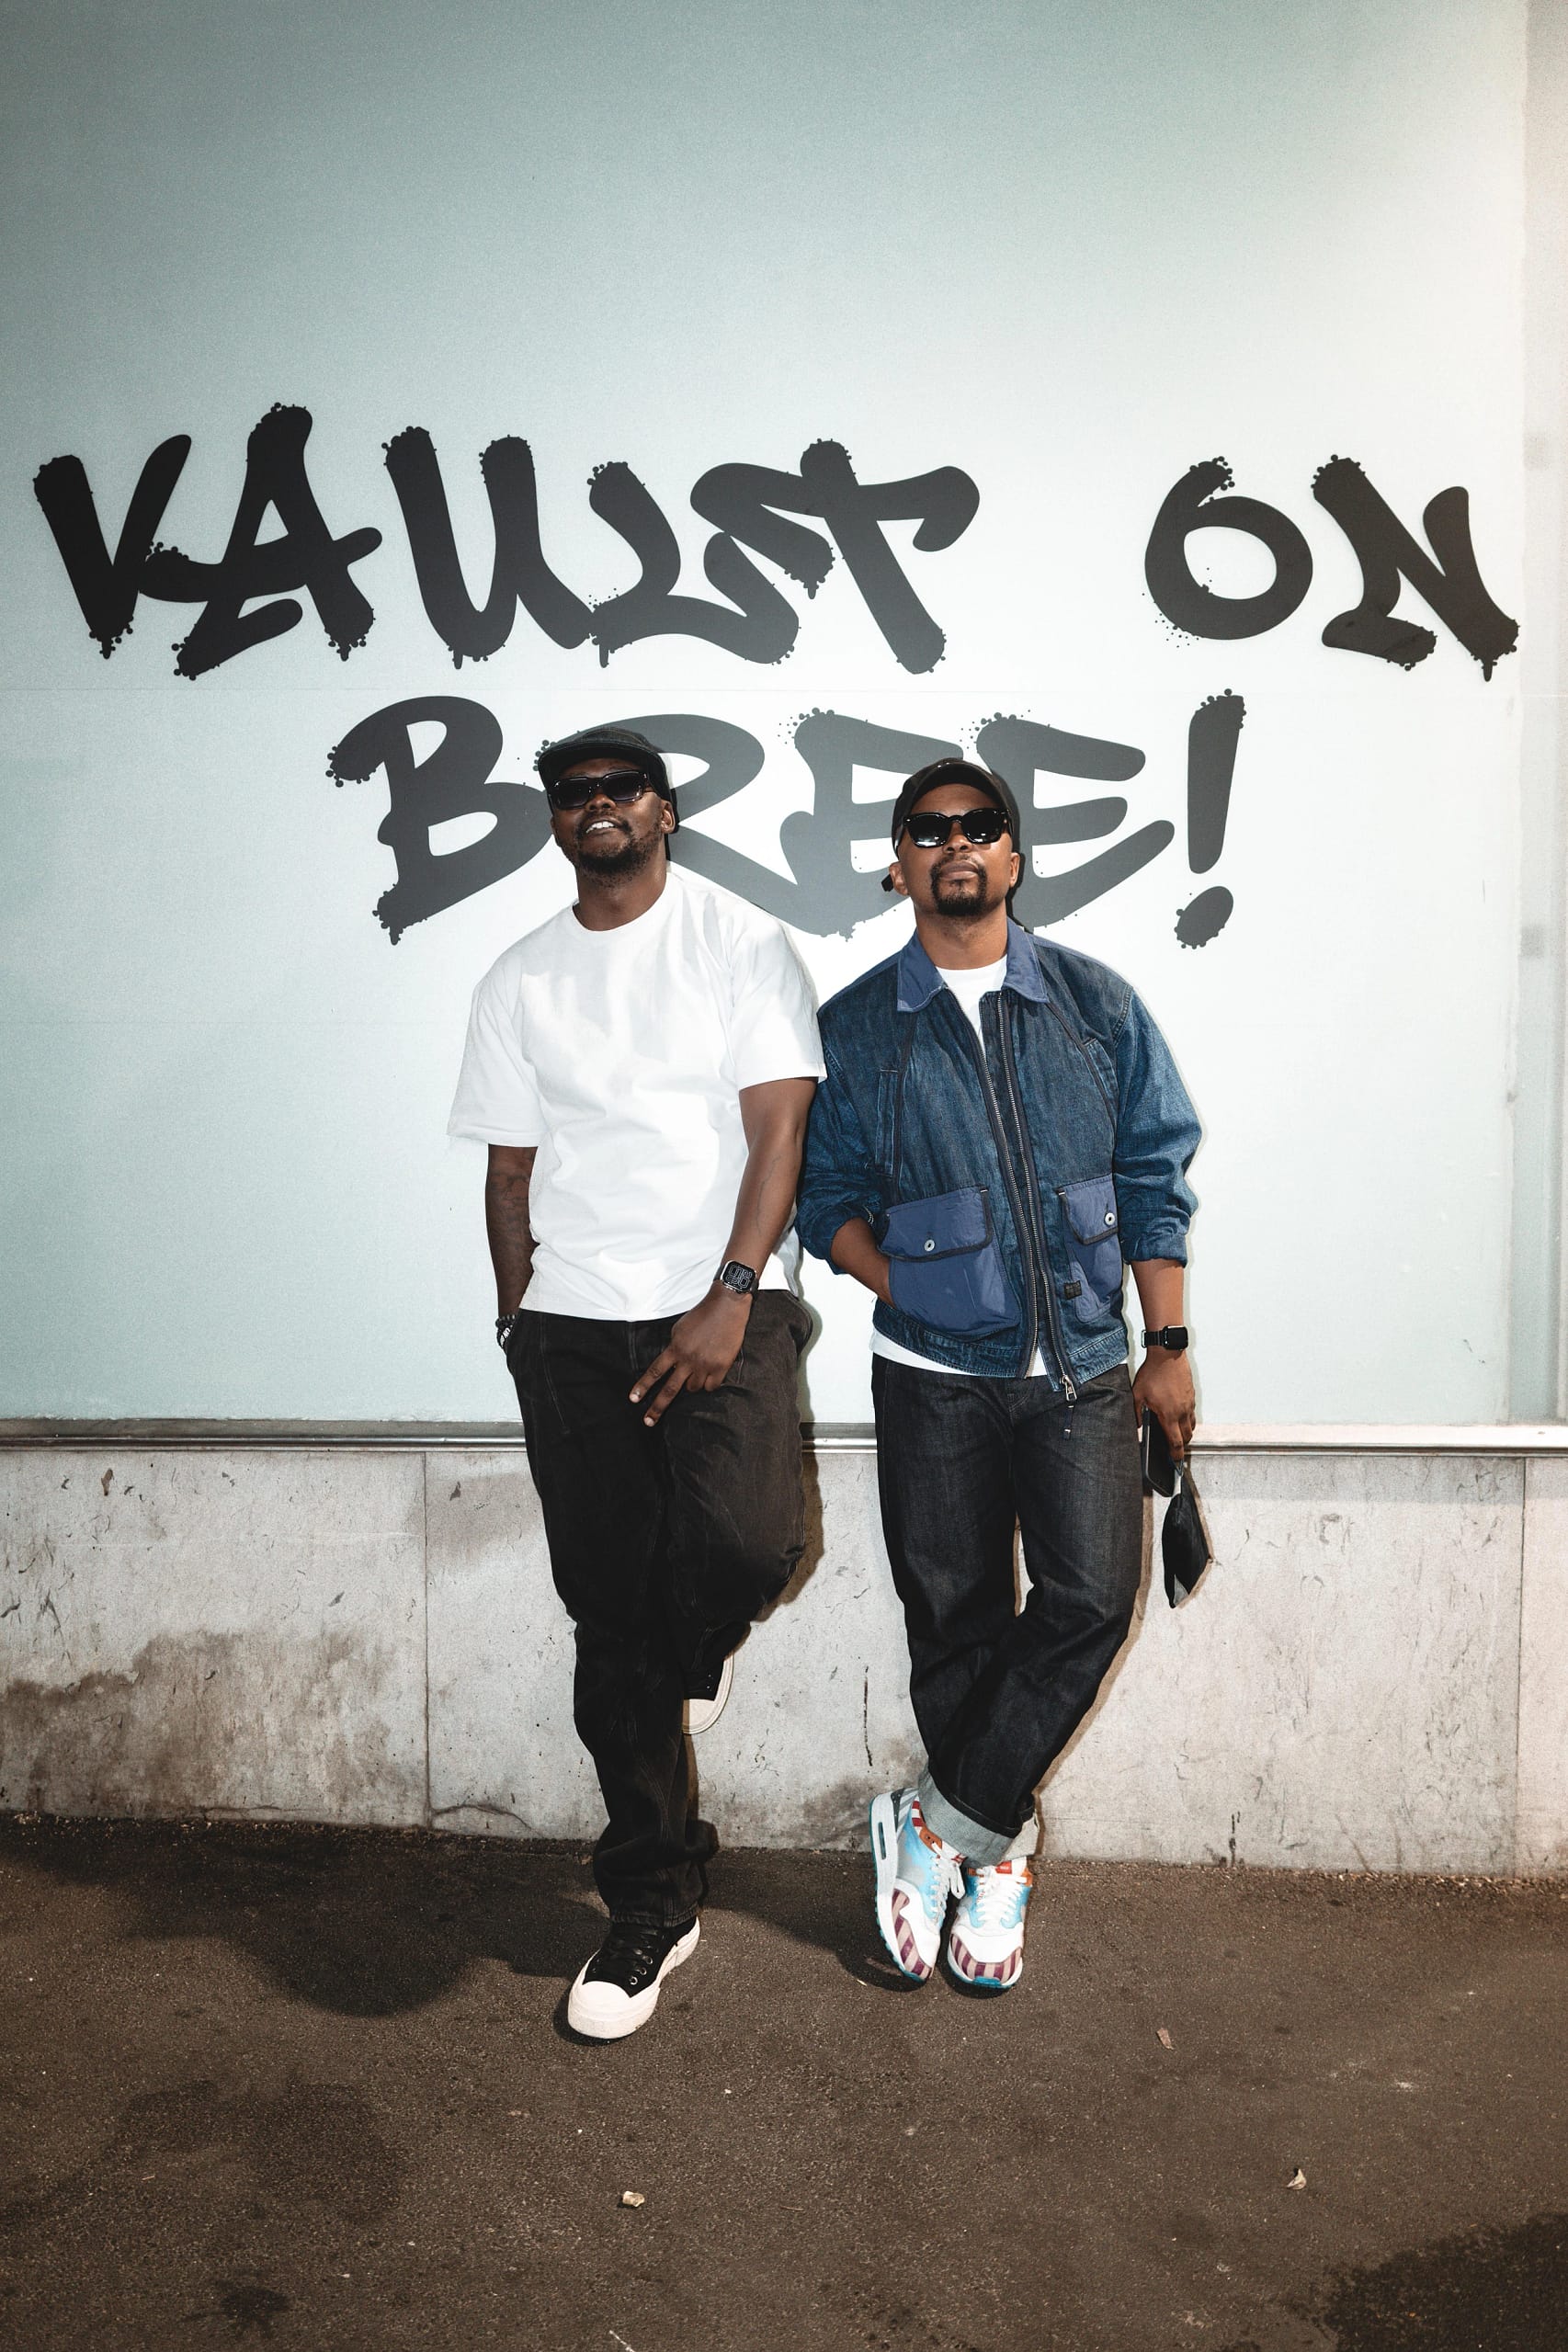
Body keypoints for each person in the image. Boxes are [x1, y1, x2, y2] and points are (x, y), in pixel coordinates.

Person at [797, 757, 1199, 1993]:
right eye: (929, 830)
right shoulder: (857, 1026)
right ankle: (997, 1859)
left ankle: (936, 1824)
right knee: (954, 1615)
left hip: (1082, 1365)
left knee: (1091, 1598)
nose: (955, 844)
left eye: (979, 826)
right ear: (899, 864)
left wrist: (1167, 1345)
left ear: (1013, 857)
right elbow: (824, 1197)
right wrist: (897, 1283)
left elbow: (1153, 1174)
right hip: (932, 1375)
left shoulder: (1093, 1003)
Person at [449, 725, 822, 2040]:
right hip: (571, 1328)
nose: (596, 806)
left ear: (664, 810)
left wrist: (730, 1292)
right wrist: (520, 1323)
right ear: (555, 819)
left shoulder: (737, 941)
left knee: (748, 1545)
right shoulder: (520, 976)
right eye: (573, 794)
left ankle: (692, 1647)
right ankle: (651, 1901)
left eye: (620, 789)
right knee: (607, 1620)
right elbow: (508, 1170)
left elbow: (779, 1127)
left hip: (718, 1306)